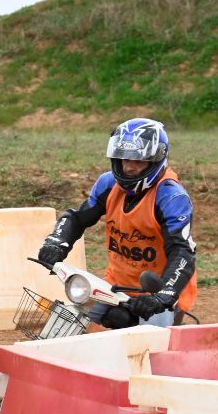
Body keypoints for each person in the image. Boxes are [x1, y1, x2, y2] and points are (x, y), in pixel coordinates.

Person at [35, 117, 198, 328]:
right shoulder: (109, 183)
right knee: (75, 324)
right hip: (115, 285)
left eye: (138, 161)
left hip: (160, 291)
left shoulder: (171, 197)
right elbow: (77, 218)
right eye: (124, 160)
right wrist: (57, 241)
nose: (129, 167)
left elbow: (182, 252)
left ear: (155, 161)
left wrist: (163, 295)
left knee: (152, 346)